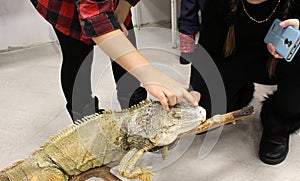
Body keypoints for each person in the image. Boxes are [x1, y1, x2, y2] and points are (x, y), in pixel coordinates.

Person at [29, 0, 200, 122]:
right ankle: (85, 123)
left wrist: (124, 5)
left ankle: (137, 118)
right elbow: (95, 18)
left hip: (106, 3)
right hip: (63, 4)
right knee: (77, 55)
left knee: (126, 44)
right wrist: (151, 74)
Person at [184, 0, 300, 165]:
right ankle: (239, 93)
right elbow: (208, 46)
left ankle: (279, 123)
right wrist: (196, 89)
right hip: (235, 57)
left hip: (283, 63)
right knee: (205, 111)